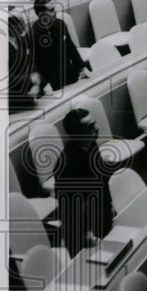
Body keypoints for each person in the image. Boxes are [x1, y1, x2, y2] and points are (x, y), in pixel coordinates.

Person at [55, 108, 111, 256]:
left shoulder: (92, 145)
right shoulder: (65, 165)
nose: (96, 129)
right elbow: (69, 208)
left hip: (100, 216)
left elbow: (102, 180)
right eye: (90, 127)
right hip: (81, 231)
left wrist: (109, 204)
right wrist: (85, 232)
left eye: (95, 124)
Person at [30, 0, 90, 92]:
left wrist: (82, 67)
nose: (55, 12)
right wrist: (45, 84)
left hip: (70, 77)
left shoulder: (60, 24)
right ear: (41, 14)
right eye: (51, 10)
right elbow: (34, 66)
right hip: (51, 84)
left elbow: (71, 48)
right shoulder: (33, 34)